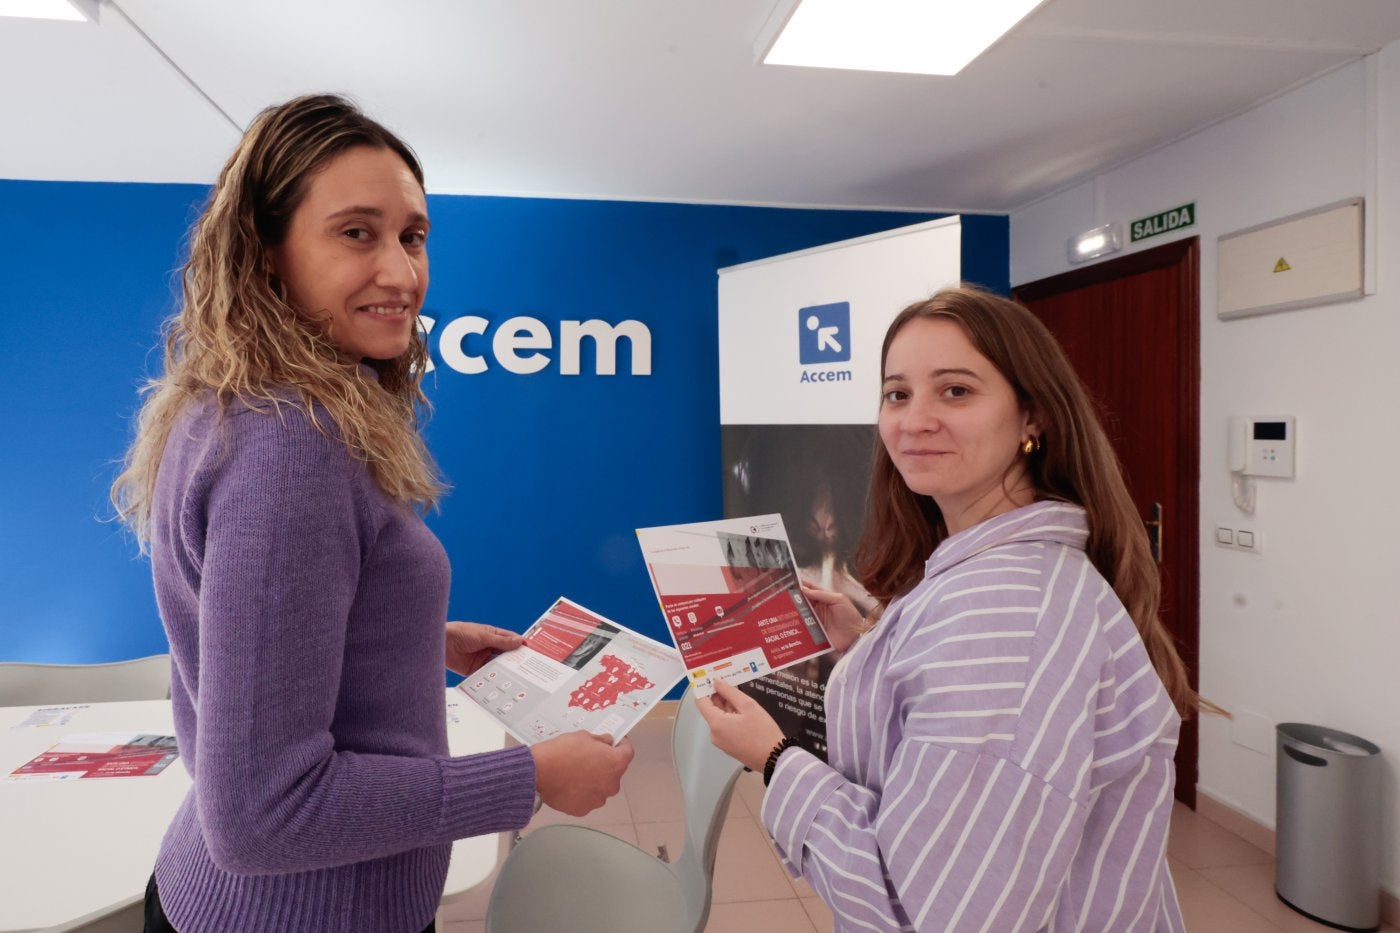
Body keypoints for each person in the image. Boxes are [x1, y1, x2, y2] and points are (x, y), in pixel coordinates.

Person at [110, 94, 634, 933]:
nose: (401, 272)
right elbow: (261, 815)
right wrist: (530, 776)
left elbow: (246, 646)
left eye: (413, 236)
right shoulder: (289, 446)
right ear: (266, 252)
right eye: (357, 232)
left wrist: (413, 636)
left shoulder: (235, 404)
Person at [698, 285, 1198, 932]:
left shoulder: (1004, 609)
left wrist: (773, 756)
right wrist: (869, 644)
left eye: (955, 390)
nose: (914, 420)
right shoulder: (997, 573)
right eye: (897, 394)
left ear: (1033, 417)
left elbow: (917, 908)